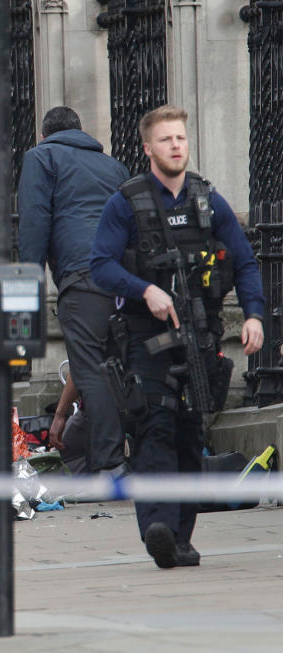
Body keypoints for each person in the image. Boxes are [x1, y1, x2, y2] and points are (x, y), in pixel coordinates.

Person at [90, 104, 265, 569]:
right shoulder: (126, 202)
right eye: (166, 140)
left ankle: (179, 538)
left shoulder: (208, 201)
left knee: (190, 438)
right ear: (148, 148)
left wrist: (254, 316)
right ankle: (157, 528)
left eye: (181, 139)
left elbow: (245, 262)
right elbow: (100, 265)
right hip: (147, 342)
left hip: (201, 338)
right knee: (155, 431)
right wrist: (144, 289)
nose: (176, 146)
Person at [17, 106, 131, 475]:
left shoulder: (41, 156)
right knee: (116, 367)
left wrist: (27, 284)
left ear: (44, 136)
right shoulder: (114, 167)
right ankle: (125, 458)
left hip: (82, 275)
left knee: (93, 369)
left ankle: (109, 467)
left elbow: (34, 219)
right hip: (122, 277)